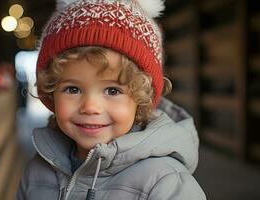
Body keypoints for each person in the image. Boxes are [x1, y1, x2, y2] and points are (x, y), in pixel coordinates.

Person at [16, 0, 206, 199]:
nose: (90, 107)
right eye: (72, 89)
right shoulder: (37, 172)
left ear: (141, 99)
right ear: (51, 92)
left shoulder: (165, 183)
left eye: (112, 91)